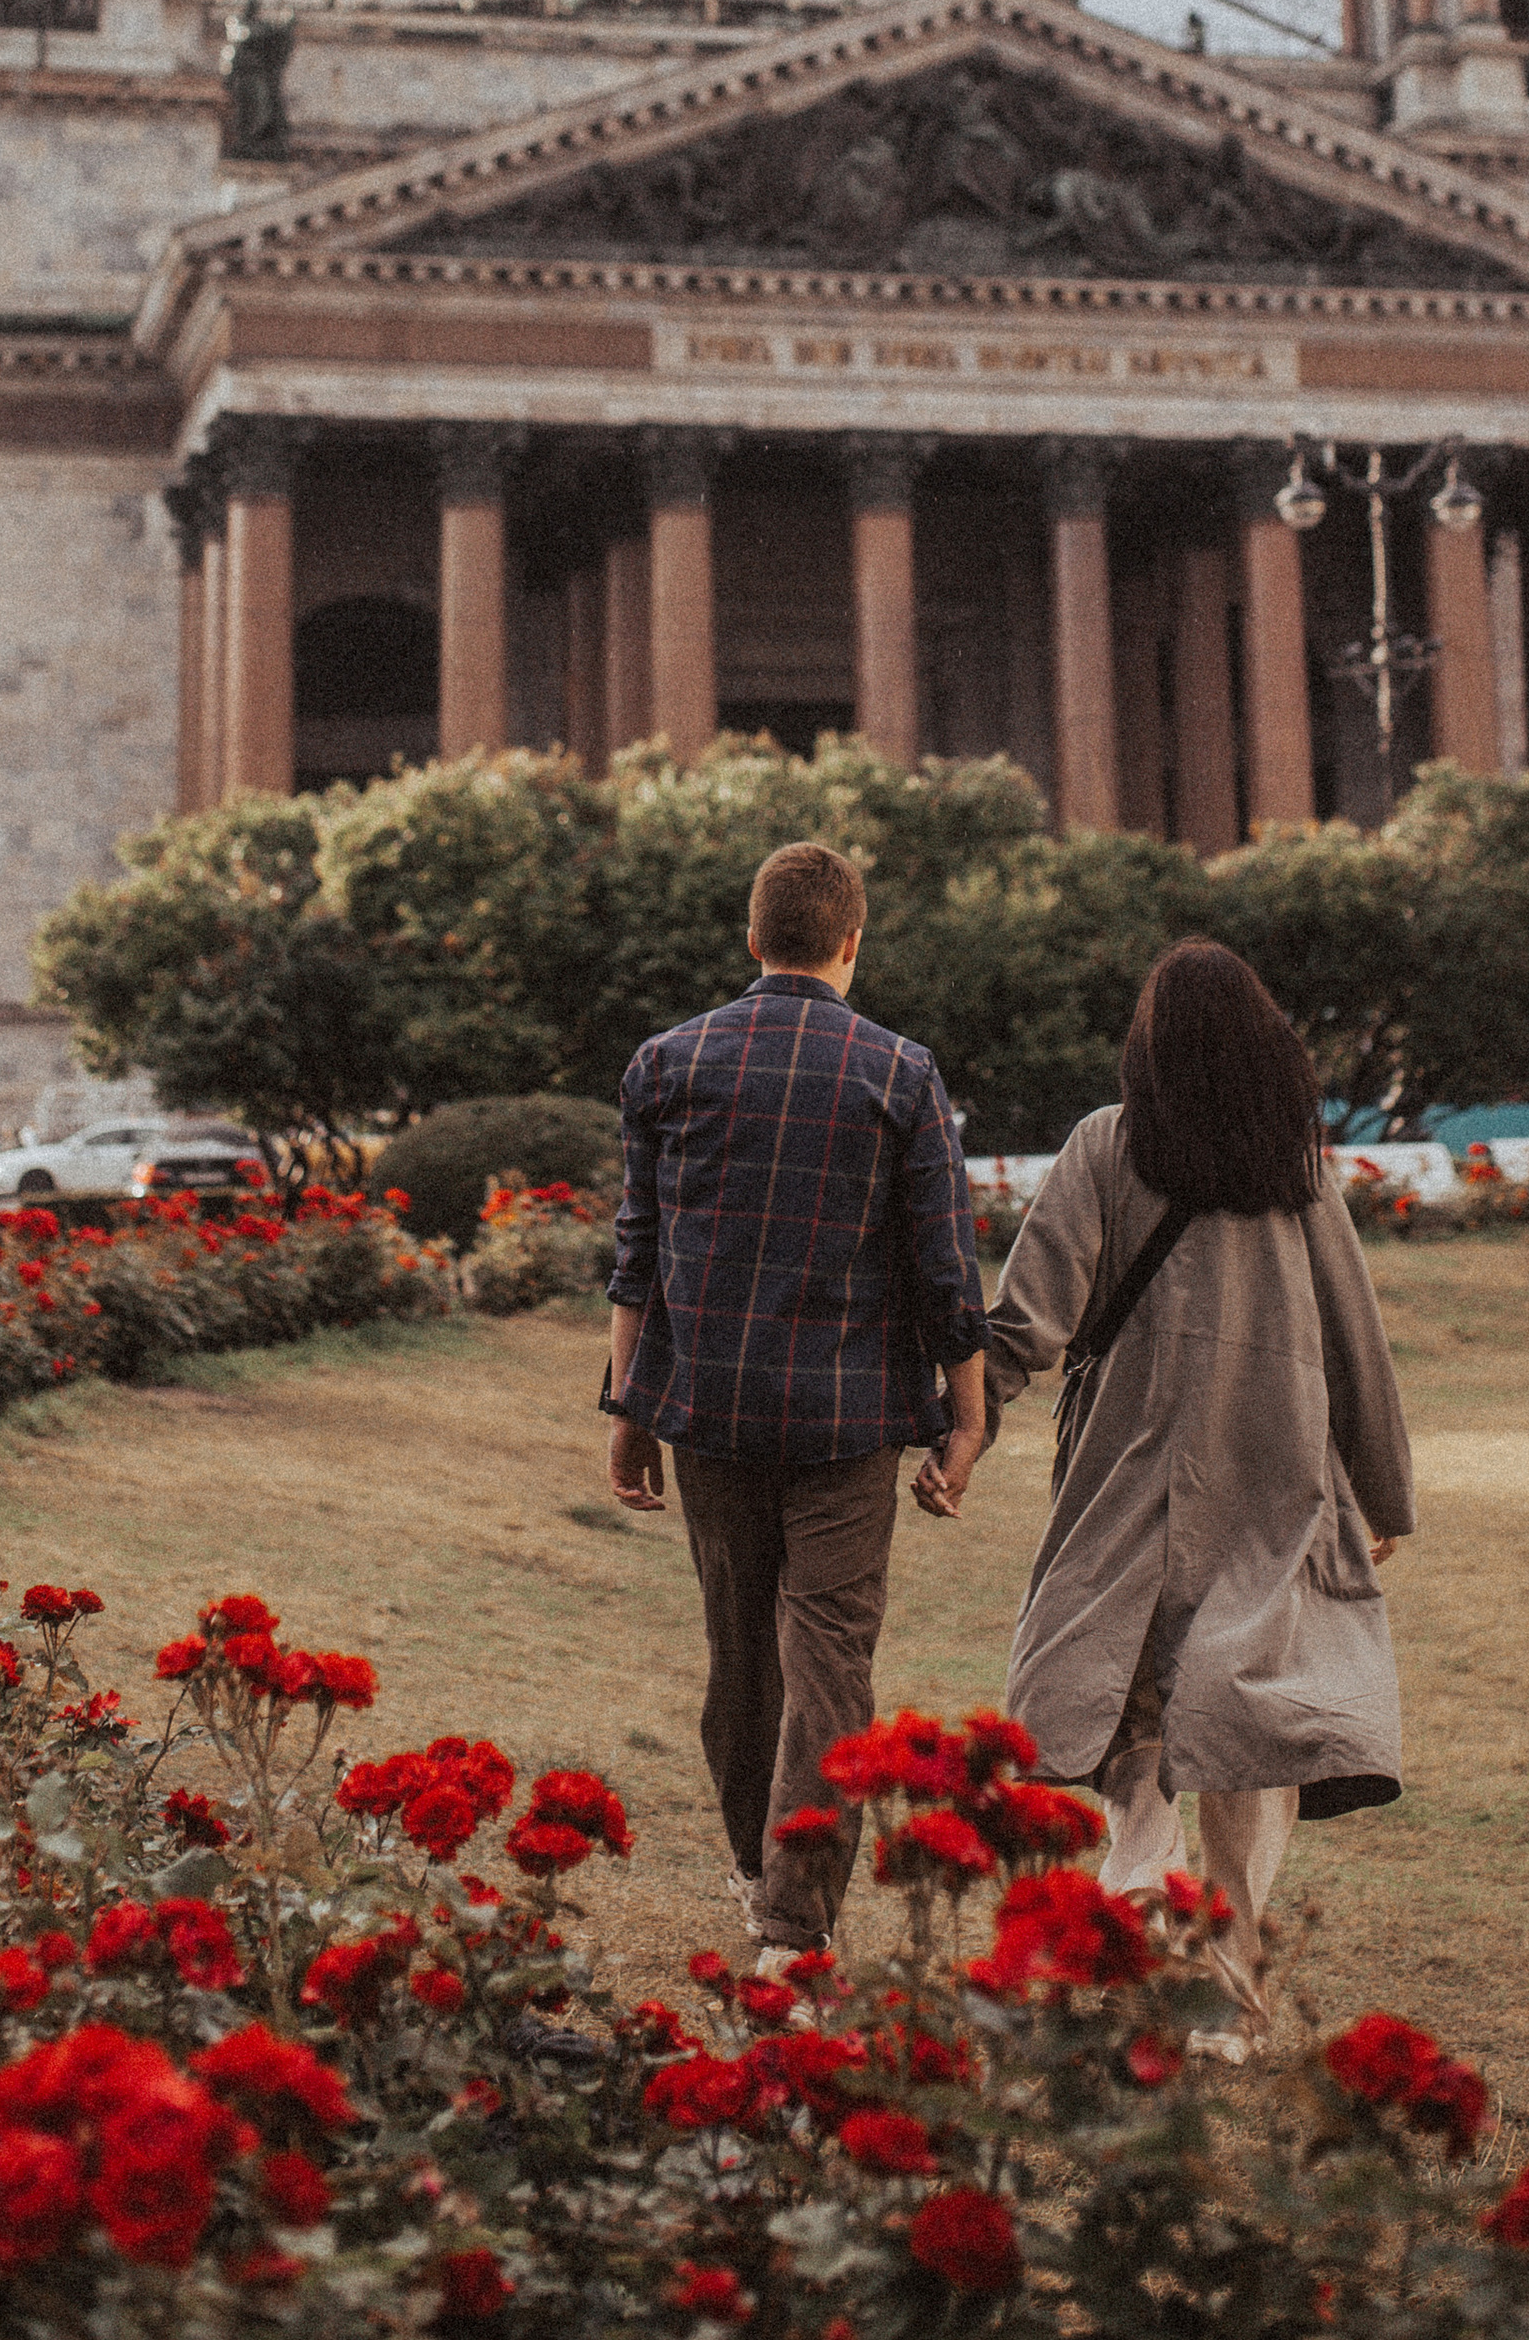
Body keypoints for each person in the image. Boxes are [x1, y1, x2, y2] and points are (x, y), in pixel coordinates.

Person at [952, 938, 1413, 2032]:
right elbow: (1359, 1339)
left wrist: (962, 1420)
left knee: (1134, 1714)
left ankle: (1122, 1931)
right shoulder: (1292, 1162)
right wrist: (1382, 1492)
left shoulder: (1107, 1145)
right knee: (1252, 1735)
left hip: (1133, 1481)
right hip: (1276, 1488)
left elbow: (1029, 1316)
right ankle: (1222, 1998)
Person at [604, 840, 989, 1972]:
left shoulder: (665, 1063)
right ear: (852, 941)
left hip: (707, 1409)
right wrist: (962, 1420)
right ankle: (793, 1922)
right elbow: (944, 1269)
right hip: (847, 1418)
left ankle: (752, 1870)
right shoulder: (900, 1072)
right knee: (830, 1658)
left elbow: (639, 1256)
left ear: (751, 938)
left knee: (739, 1652)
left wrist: (626, 1406)